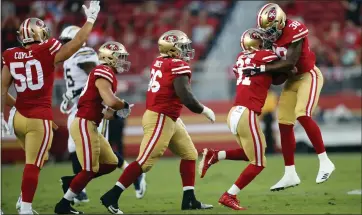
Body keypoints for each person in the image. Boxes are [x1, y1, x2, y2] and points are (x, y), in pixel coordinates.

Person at [0, 1, 100, 214]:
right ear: (40, 34)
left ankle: (20, 200)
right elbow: (78, 42)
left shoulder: (10, 54)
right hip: (39, 118)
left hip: (16, 117)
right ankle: (25, 207)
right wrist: (90, 19)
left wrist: (3, 112)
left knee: (38, 158)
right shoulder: (47, 50)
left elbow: (2, 88)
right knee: (34, 163)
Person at [100, 30, 215, 214]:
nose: (186, 50)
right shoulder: (176, 64)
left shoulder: (159, 61)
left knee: (190, 154)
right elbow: (185, 96)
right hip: (160, 117)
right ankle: (111, 196)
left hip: (168, 116)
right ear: (172, 48)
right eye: (183, 47)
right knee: (144, 163)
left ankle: (189, 199)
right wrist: (203, 109)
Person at [242, 3, 335, 191]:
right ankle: (290, 173)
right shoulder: (269, 38)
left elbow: (291, 62)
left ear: (281, 22)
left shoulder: (295, 29)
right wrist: (272, 69)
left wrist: (261, 69)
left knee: (302, 113)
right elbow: (279, 78)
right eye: (265, 31)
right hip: (292, 81)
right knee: (284, 123)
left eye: (271, 30)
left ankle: (325, 161)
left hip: (309, 75)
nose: (268, 35)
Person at [199, 28, 291, 210]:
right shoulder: (263, 56)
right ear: (254, 42)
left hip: (235, 112)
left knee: (254, 152)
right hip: (246, 113)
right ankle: (229, 195)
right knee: (258, 162)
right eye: (261, 40)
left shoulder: (241, 58)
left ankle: (216, 155)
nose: (264, 43)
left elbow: (269, 75)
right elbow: (287, 64)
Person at [58, 26, 146, 204]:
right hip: (79, 109)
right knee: (74, 149)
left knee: (101, 154)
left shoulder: (85, 54)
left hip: (92, 108)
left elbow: (94, 76)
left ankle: (133, 175)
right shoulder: (69, 58)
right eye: (64, 43)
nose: (65, 46)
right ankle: (78, 189)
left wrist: (75, 92)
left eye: (67, 42)